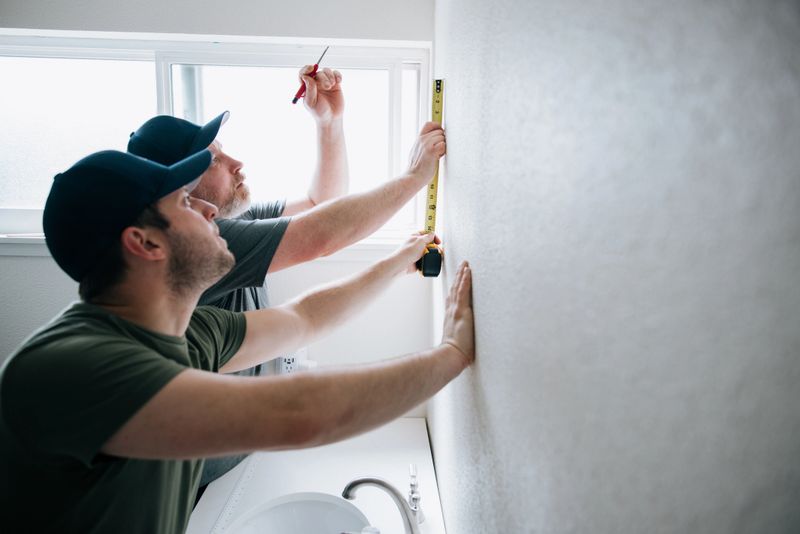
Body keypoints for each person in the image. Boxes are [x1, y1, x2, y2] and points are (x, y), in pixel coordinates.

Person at [0, 149, 474, 534]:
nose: (209, 208)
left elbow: (303, 317)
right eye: (183, 204)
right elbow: (300, 415)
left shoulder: (191, 331)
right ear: (144, 244)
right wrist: (450, 356)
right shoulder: (71, 366)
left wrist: (397, 262)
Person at [127, 66, 447, 487]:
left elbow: (321, 204)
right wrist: (413, 177)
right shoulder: (206, 242)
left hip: (235, 460)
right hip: (200, 482)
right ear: (180, 189)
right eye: (214, 159)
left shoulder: (226, 219)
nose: (236, 162)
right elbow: (322, 236)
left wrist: (329, 124)